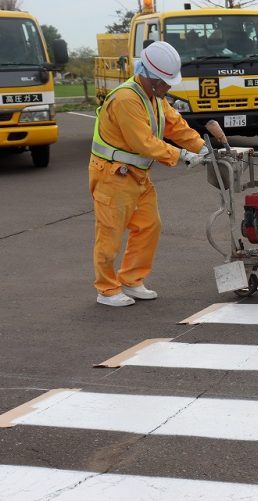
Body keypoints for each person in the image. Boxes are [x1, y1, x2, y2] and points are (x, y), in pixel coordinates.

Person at [89, 41, 209, 307]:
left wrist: (203, 147)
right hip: (112, 175)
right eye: (165, 82)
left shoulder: (153, 97)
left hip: (137, 175)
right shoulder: (125, 99)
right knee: (109, 234)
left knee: (149, 227)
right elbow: (143, 142)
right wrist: (183, 156)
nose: (169, 87)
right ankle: (106, 290)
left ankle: (131, 280)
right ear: (149, 77)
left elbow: (175, 126)